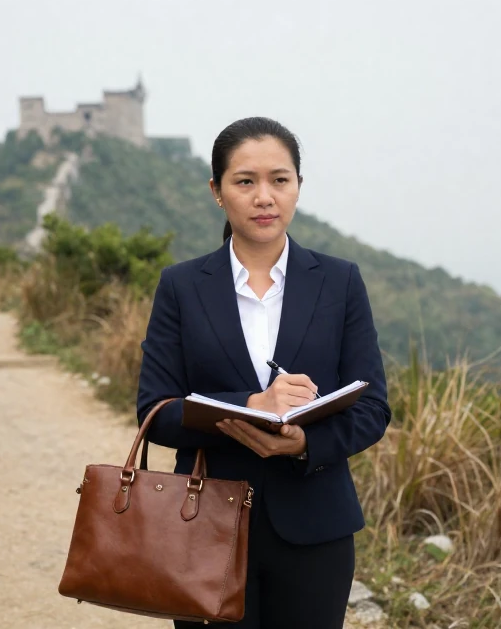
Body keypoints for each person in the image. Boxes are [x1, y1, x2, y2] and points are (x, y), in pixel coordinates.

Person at [136, 116, 392, 628]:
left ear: (299, 186)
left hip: (316, 526)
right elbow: (155, 411)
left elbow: (373, 408)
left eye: (280, 179)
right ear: (217, 190)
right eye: (245, 181)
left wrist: (302, 444)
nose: (264, 197)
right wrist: (251, 404)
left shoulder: (340, 282)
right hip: (202, 524)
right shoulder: (182, 286)